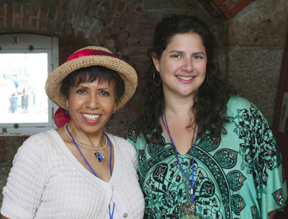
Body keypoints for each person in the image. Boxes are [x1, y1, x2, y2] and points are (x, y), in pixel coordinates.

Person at [126, 14, 287, 219]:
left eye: (197, 56)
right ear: (157, 61)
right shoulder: (137, 135)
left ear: (207, 62)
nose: (188, 66)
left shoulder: (242, 116)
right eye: (177, 55)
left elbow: (272, 195)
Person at [1, 46, 144, 219]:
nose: (92, 104)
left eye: (104, 93)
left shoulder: (126, 150)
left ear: (115, 104)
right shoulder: (40, 150)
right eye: (82, 91)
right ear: (67, 99)